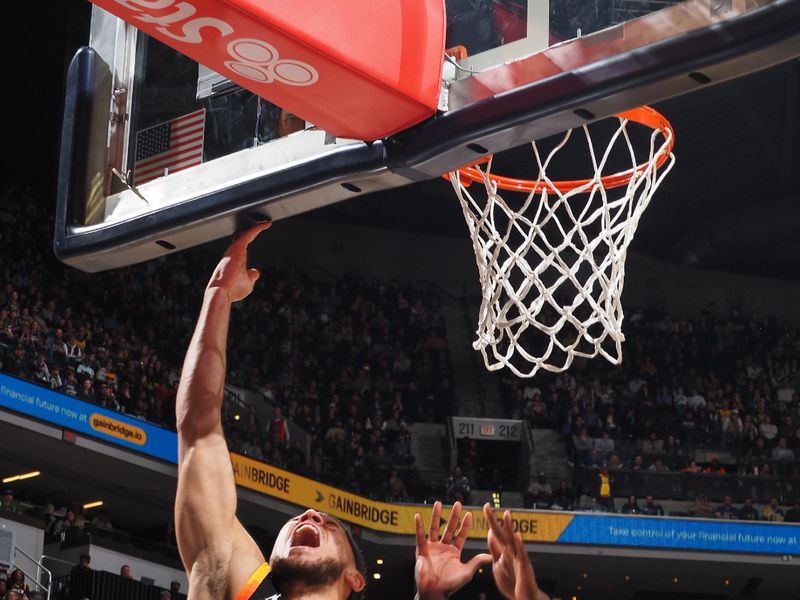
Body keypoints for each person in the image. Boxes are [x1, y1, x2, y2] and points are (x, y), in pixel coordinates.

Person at [173, 225, 551, 600]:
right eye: (306, 520)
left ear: (355, 578)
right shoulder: (227, 576)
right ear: (269, 561)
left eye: (332, 526)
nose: (309, 514)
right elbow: (199, 429)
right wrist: (218, 296)